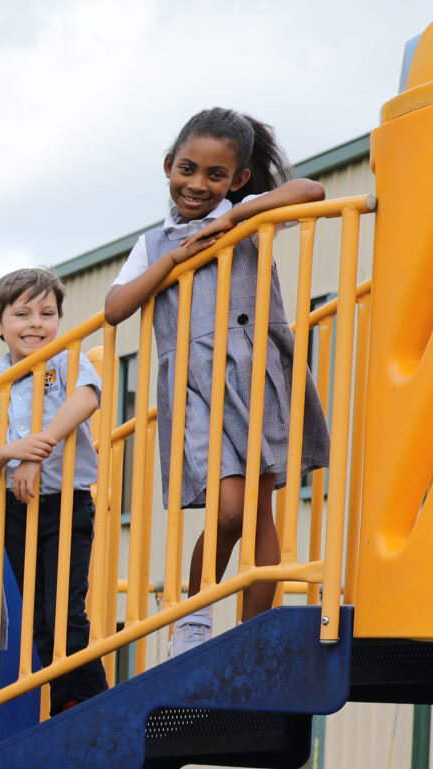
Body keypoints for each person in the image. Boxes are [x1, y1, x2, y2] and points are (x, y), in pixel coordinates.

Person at [104, 107, 328, 653]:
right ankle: (195, 618)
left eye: (215, 175)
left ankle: (252, 635)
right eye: (187, 169)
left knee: (257, 509)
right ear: (168, 166)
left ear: (239, 180)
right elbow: (115, 308)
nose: (198, 185)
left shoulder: (248, 213)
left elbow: (312, 191)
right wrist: (175, 261)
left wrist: (230, 222)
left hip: (255, 374)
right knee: (228, 509)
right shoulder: (152, 245)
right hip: (193, 386)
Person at [0, 269, 109, 709]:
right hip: (17, 510)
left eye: (47, 313)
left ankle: (89, 703)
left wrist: (34, 454)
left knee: (67, 612)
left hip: (68, 503)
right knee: (41, 620)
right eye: (22, 313)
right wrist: (15, 449)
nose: (35, 323)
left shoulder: (65, 359)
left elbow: (86, 399)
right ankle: (65, 703)